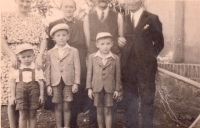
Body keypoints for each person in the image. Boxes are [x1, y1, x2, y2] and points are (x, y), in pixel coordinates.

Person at [1, 0, 47, 127]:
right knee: (12, 97)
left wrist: (39, 56)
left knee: (31, 96)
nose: (25, 4)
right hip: (13, 59)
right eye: (22, 1)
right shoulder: (6, 16)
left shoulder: (36, 18)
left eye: (28, 1)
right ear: (16, 1)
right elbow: (1, 38)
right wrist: (12, 55)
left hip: (32, 58)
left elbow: (43, 39)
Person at [121, 0, 164, 128]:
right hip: (128, 66)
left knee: (147, 98)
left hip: (146, 67)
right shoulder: (123, 19)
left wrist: (149, 58)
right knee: (129, 98)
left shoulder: (152, 18)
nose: (131, 2)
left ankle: (147, 125)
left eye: (134, 0)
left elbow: (159, 43)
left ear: (140, 2)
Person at [83, 0, 126, 126]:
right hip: (95, 59)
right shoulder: (88, 17)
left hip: (112, 60)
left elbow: (120, 39)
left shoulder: (118, 16)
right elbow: (87, 41)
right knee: (96, 99)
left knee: (111, 98)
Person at [47, 1, 87, 126]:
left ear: (75, 8)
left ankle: (72, 123)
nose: (69, 9)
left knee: (74, 95)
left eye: (71, 6)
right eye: (66, 6)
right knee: (59, 99)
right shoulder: (54, 24)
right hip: (58, 64)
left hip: (76, 60)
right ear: (61, 8)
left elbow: (86, 43)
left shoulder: (82, 24)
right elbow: (50, 48)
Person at [45, 23, 81, 128]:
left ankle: (66, 126)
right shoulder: (50, 53)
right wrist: (48, 85)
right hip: (55, 82)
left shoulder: (74, 51)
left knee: (67, 106)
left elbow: (77, 68)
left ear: (68, 36)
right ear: (54, 38)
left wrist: (76, 83)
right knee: (58, 106)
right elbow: (48, 69)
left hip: (69, 82)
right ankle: (58, 126)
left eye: (64, 35)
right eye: (58, 35)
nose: (61, 38)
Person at [86, 32, 121, 128]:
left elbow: (118, 75)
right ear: (97, 45)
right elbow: (89, 74)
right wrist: (89, 88)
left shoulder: (115, 58)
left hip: (110, 88)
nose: (105, 47)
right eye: (102, 44)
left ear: (112, 44)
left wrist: (117, 89)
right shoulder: (92, 57)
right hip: (96, 88)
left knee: (107, 110)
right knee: (99, 111)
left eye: (108, 43)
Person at [9, 44, 45, 128]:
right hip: (21, 95)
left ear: (33, 55)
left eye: (29, 56)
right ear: (18, 57)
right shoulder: (16, 68)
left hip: (34, 94)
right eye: (23, 57)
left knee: (32, 114)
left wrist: (41, 95)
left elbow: (41, 82)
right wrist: (13, 96)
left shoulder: (36, 68)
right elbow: (13, 82)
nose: (26, 59)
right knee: (23, 115)